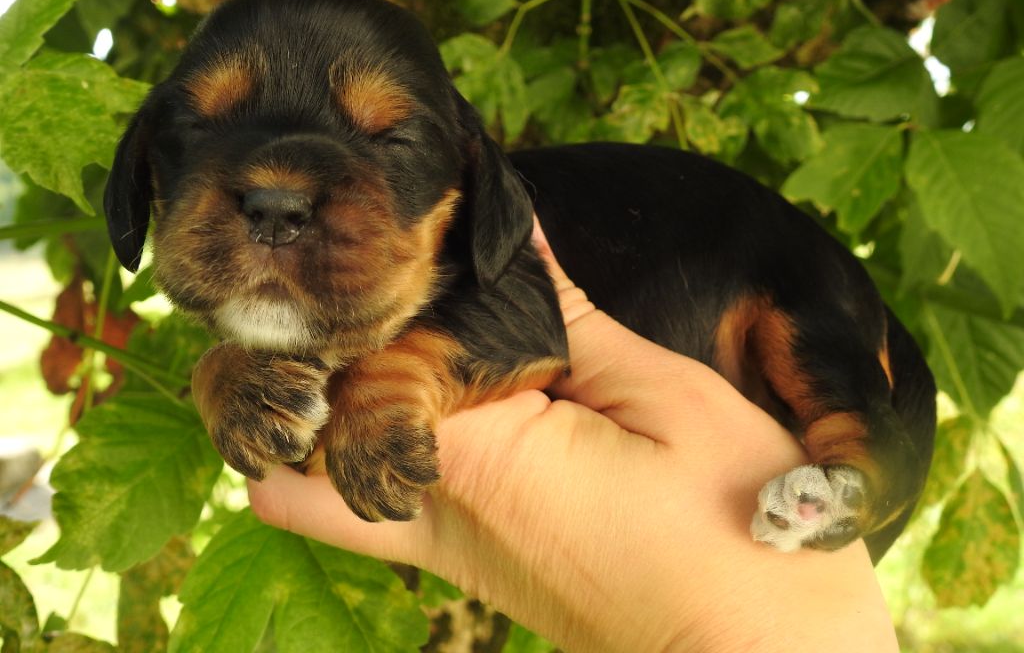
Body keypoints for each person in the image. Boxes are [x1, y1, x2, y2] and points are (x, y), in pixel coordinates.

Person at [248, 221, 899, 652]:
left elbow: (545, 323)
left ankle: (855, 462)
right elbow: (274, 493)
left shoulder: (460, 250)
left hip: (737, 292)